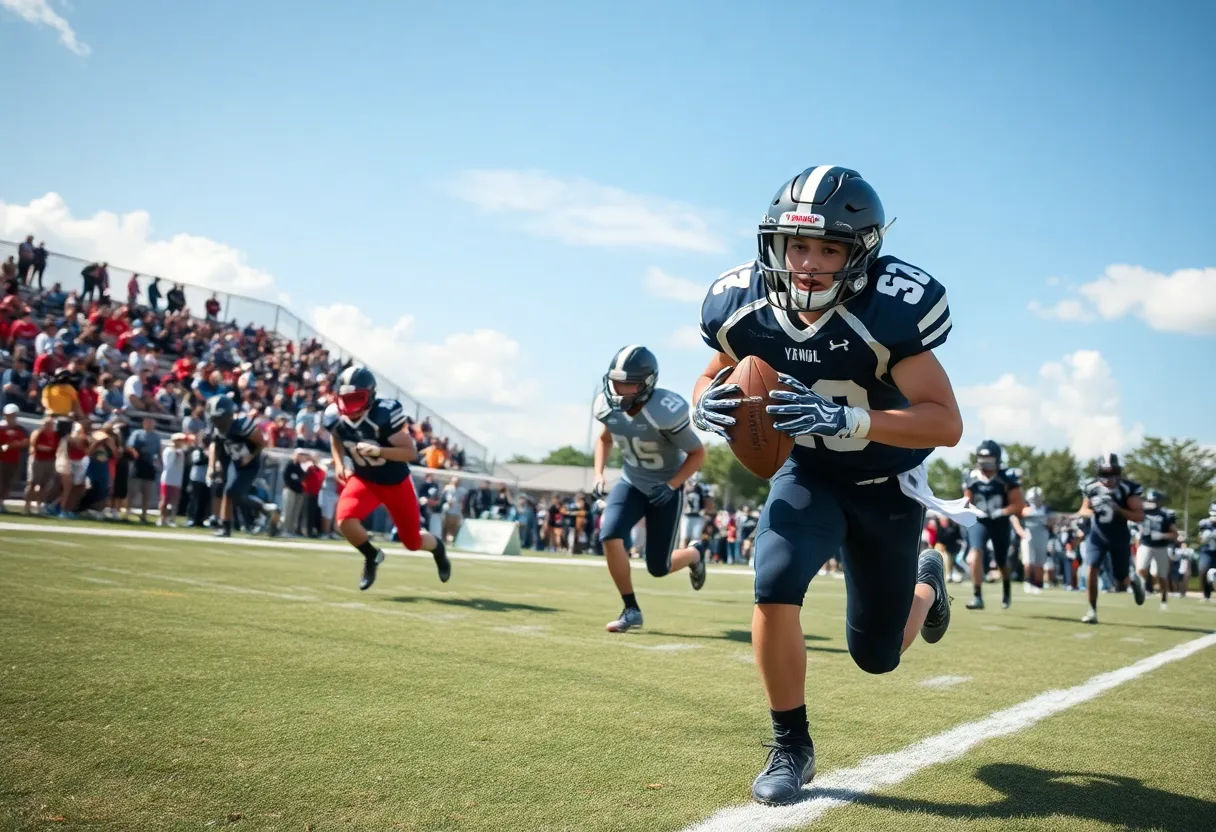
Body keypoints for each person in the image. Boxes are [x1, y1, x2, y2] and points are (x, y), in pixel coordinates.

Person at [691, 165, 977, 804]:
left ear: (861, 253)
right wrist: (703, 404)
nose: (810, 263)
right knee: (774, 583)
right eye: (798, 245)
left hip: (885, 482)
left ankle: (927, 587)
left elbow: (946, 422)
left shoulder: (889, 312)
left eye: (829, 248)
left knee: (877, 656)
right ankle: (791, 745)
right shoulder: (745, 308)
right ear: (776, 243)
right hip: (808, 474)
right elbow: (715, 374)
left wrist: (851, 417)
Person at [592, 345, 708, 633]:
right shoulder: (607, 406)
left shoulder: (664, 411)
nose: (620, 389)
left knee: (658, 567)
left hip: (666, 488)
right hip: (631, 482)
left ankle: (695, 554)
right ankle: (630, 608)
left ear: (647, 384)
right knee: (609, 534)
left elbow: (697, 454)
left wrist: (672, 485)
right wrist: (598, 473)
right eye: (616, 381)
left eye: (628, 383)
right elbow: (604, 440)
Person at [328, 366, 450, 590]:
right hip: (364, 481)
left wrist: (379, 451)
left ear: (371, 396)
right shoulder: (336, 418)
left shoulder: (382, 416)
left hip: (395, 483)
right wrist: (339, 462)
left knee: (412, 542)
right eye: (346, 399)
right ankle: (372, 556)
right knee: (344, 520)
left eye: (357, 399)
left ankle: (438, 549)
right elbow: (335, 439)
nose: (351, 406)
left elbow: (410, 452)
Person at [1077, 453, 1146, 624]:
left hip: (1119, 536)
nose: (1109, 478)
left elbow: (1139, 516)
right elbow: (1083, 510)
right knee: (1092, 567)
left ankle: (1132, 580)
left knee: (1120, 579)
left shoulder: (1128, 488)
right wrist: (1095, 510)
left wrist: (1118, 510)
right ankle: (1092, 610)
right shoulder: (1091, 487)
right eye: (1106, 473)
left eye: (1113, 472)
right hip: (1097, 536)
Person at [205, 395, 281, 537]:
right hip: (235, 461)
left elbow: (261, 443)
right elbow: (214, 445)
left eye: (220, 418)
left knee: (232, 492)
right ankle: (266, 510)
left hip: (250, 464)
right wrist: (212, 466)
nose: (218, 421)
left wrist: (250, 456)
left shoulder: (243, 424)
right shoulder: (218, 430)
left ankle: (229, 526)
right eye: (215, 418)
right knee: (232, 493)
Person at [962, 440, 1025, 610]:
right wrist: (974, 510)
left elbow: (1018, 506)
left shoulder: (1007, 477)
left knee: (1001, 561)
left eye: (989, 460)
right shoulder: (971, 476)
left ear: (997, 459)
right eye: (982, 460)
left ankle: (1006, 589)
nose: (986, 464)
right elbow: (966, 502)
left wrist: (1002, 512)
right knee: (975, 552)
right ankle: (977, 596)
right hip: (979, 520)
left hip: (1000, 522)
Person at [1136, 489, 1177, 610]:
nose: (1151, 503)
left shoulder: (1167, 514)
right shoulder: (1142, 511)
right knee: (1141, 569)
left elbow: (1174, 534)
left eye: (1154, 500)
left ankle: (1164, 599)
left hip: (1161, 547)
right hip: (1145, 544)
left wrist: (1162, 535)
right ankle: (1142, 591)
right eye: (1150, 500)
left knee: (1161, 575)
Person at [1012, 486, 1050, 593]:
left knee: (1039, 562)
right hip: (1029, 535)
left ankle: (1038, 584)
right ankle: (1028, 582)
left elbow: (1051, 522)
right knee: (1028, 561)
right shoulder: (1025, 508)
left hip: (1042, 535)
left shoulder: (1046, 509)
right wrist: (1021, 532)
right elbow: (1015, 518)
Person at [0, 403, 30, 511]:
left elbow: (26, 442)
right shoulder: (1, 427)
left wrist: (10, 445)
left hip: (13, 460)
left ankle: (2, 503)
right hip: (1, 460)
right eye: (9, 415)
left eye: (13, 415)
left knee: (7, 483)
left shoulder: (21, 429)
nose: (11, 418)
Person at [1198, 503, 1216, 603]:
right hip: (1207, 551)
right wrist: (1205, 538)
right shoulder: (1204, 524)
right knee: (1203, 570)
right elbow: (1200, 539)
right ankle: (1206, 595)